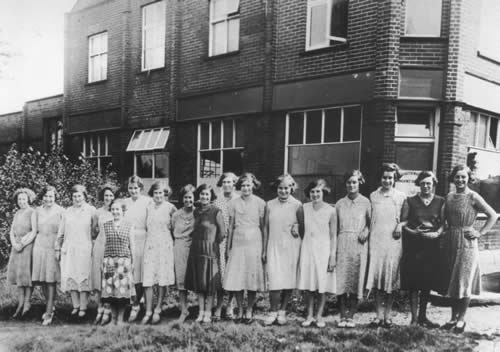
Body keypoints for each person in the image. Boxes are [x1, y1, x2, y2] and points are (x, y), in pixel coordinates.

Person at [440, 165, 498, 333]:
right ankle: (452, 318)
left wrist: (480, 233)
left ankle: (461, 319)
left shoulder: (473, 196)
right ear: (453, 178)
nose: (460, 180)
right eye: (457, 177)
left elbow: (493, 215)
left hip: (467, 243)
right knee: (453, 281)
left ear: (468, 178)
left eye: (463, 177)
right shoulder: (449, 196)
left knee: (464, 282)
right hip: (451, 241)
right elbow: (443, 219)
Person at [365, 163, 408, 328]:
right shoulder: (373, 196)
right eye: (384, 177)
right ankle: (378, 314)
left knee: (390, 277)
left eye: (390, 178)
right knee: (377, 278)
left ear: (395, 179)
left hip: (393, 241)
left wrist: (400, 225)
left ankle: (388, 315)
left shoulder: (401, 197)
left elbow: (406, 218)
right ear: (380, 178)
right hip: (376, 240)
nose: (387, 180)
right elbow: (369, 219)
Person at [401, 171, 445, 327]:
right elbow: (404, 223)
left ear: (433, 185)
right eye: (423, 183)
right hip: (415, 246)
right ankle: (413, 319)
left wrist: (437, 234)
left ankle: (423, 317)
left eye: (429, 183)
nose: (426, 186)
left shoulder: (440, 201)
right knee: (414, 284)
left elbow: (442, 225)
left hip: (431, 247)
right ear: (418, 184)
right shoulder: (410, 201)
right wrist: (415, 232)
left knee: (426, 283)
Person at [224, 173, 266, 323]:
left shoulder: (260, 203)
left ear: (253, 186)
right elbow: (230, 226)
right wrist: (228, 247)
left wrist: (264, 249)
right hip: (238, 241)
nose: (246, 188)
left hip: (254, 241)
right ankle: (240, 309)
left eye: (248, 185)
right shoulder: (233, 203)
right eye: (242, 185)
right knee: (238, 277)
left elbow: (263, 227)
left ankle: (249, 309)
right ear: (239, 187)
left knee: (251, 277)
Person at [262, 174, 303, 326]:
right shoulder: (269, 204)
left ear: (291, 188)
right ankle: (272, 311)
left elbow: (302, 226)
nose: (283, 191)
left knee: (288, 279)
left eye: (286, 188)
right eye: (281, 188)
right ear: (276, 188)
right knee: (274, 280)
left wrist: (297, 227)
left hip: (291, 246)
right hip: (274, 245)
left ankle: (282, 312)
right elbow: (265, 228)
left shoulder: (297, 205)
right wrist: (265, 248)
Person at [297, 179, 336, 328]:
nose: (315, 194)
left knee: (322, 284)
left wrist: (332, 256)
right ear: (309, 193)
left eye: (318, 191)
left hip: (324, 250)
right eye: (312, 192)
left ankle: (319, 316)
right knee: (308, 284)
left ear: (323, 192)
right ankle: (309, 315)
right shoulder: (303, 208)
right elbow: (301, 230)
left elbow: (333, 235)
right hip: (308, 248)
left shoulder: (331, 210)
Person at [185, 184, 226, 323]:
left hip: (210, 251)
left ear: (211, 197)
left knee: (210, 283)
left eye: (207, 195)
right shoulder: (196, 211)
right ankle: (201, 311)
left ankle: (208, 312)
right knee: (200, 283)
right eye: (202, 194)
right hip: (197, 250)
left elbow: (223, 233)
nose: (204, 197)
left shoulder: (216, 211)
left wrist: (213, 245)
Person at [335, 170, 371, 328]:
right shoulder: (339, 203)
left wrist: (366, 231)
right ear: (345, 184)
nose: (351, 185)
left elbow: (371, 223)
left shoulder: (366, 202)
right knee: (341, 280)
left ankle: (351, 315)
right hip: (342, 242)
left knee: (356, 278)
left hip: (359, 243)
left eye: (354, 182)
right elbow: (334, 227)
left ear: (359, 183)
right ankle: (342, 314)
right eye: (349, 182)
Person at [55, 184, 96, 319]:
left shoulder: (91, 210)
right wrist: (58, 248)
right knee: (71, 276)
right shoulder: (67, 211)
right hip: (70, 248)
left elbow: (95, 232)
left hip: (85, 248)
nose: (77, 198)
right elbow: (60, 233)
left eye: (80, 196)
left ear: (84, 196)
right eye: (74, 196)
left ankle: (84, 307)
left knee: (83, 276)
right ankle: (76, 306)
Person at [142, 181, 176, 324]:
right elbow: (145, 226)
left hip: (164, 245)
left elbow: (175, 228)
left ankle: (158, 308)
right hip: (150, 245)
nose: (158, 195)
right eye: (156, 193)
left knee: (162, 277)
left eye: (161, 192)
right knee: (148, 279)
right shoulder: (148, 207)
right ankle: (148, 310)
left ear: (165, 194)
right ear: (152, 194)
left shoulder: (171, 208)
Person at [31, 185, 64, 325]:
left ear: (55, 196)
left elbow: (63, 232)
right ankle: (50, 305)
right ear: (42, 197)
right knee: (43, 279)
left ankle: (49, 312)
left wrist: (60, 248)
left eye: (51, 196)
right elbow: (33, 231)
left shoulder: (61, 211)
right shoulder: (37, 211)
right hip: (40, 246)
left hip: (53, 246)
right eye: (46, 196)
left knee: (51, 280)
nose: (48, 199)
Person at [101, 199, 135, 325]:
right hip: (109, 262)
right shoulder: (105, 225)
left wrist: (133, 262)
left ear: (123, 211)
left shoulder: (129, 225)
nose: (115, 212)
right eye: (113, 209)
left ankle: (120, 320)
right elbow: (103, 244)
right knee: (111, 293)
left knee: (122, 293)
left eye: (118, 209)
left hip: (123, 262)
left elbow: (132, 245)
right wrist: (102, 262)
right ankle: (112, 319)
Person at [123, 175, 151, 322]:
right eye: (130, 188)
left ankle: (138, 304)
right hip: (127, 239)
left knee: (140, 274)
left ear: (141, 188)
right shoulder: (124, 203)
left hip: (142, 239)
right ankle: (134, 302)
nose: (133, 190)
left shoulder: (148, 202)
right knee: (130, 274)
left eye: (136, 188)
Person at [212, 172, 239, 320]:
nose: (227, 185)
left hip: (236, 240)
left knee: (233, 272)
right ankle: (219, 304)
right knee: (221, 273)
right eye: (224, 182)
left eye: (230, 182)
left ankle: (230, 305)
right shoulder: (218, 201)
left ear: (234, 184)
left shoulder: (238, 199)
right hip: (220, 241)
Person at [7, 188, 36, 319]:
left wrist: (23, 244)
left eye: (24, 199)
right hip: (16, 247)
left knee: (26, 276)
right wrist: (14, 244)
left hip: (27, 246)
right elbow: (12, 231)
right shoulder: (17, 213)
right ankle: (20, 303)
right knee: (19, 277)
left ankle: (27, 303)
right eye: (19, 199)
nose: (21, 202)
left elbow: (34, 231)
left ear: (28, 199)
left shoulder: (32, 212)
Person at [90, 185, 115, 325]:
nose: (108, 198)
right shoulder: (97, 212)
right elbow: (93, 231)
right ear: (102, 197)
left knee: (109, 278)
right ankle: (99, 306)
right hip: (99, 246)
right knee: (98, 278)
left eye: (111, 195)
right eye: (106, 195)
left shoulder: (117, 210)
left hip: (112, 246)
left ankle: (108, 308)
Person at [172, 184, 196, 322]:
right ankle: (184, 309)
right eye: (186, 197)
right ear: (182, 198)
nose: (188, 200)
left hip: (194, 248)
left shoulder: (198, 213)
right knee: (181, 281)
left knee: (197, 279)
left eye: (191, 197)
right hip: (180, 247)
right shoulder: (176, 214)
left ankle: (202, 310)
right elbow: (172, 231)